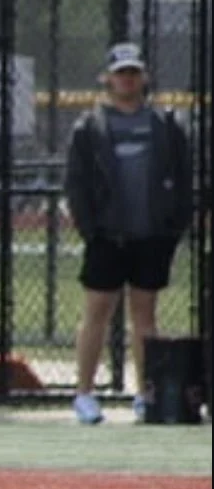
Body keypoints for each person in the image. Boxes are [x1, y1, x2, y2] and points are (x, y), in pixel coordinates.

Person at [65, 42, 192, 424]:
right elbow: (76, 184)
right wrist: (91, 229)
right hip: (107, 236)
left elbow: (184, 179)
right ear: (108, 78)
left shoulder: (164, 125)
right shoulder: (90, 127)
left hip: (151, 235)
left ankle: (145, 392)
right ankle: (85, 393)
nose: (128, 79)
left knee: (145, 317)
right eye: (121, 73)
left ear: (144, 77)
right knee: (96, 315)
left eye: (134, 72)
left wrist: (173, 226)